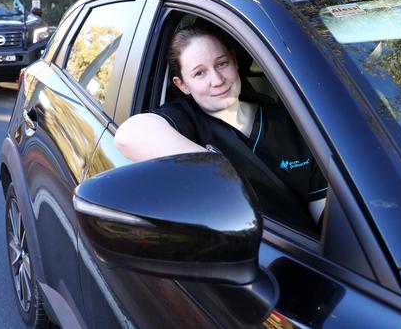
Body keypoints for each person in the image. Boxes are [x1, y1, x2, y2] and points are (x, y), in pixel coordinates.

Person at [115, 24, 327, 230]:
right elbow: (128, 134)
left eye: (222, 64)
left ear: (235, 62)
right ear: (182, 85)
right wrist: (216, 168)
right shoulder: (185, 119)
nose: (217, 80)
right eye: (199, 73)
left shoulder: (291, 121)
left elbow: (326, 216)